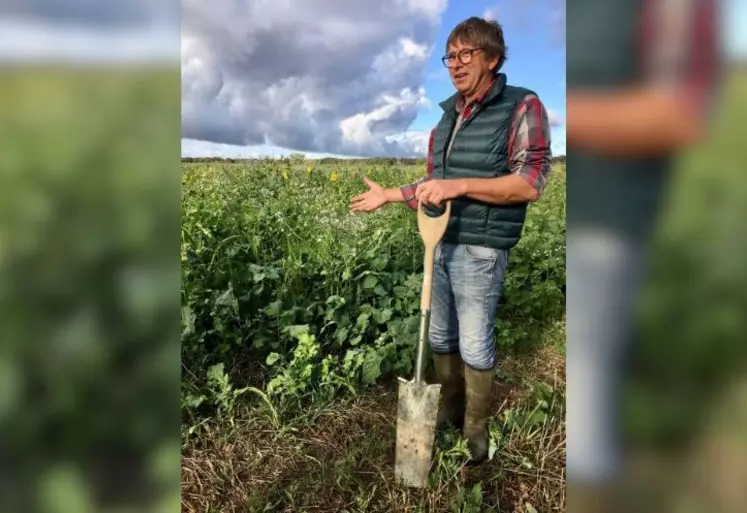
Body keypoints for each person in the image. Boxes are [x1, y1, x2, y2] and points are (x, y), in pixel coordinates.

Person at [349, 16, 553, 463]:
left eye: (466, 54)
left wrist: (458, 186)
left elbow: (529, 183)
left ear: (493, 58)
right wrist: (389, 194)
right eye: (450, 56)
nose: (455, 65)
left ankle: (477, 429)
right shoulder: (444, 119)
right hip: (438, 241)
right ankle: (450, 412)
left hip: (481, 246)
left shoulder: (523, 106)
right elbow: (434, 183)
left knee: (475, 341)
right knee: (441, 335)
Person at [565, 0, 720, 510]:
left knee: (588, 408)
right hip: (581, 215)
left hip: (607, 223)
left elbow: (678, 112)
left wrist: (567, 114)